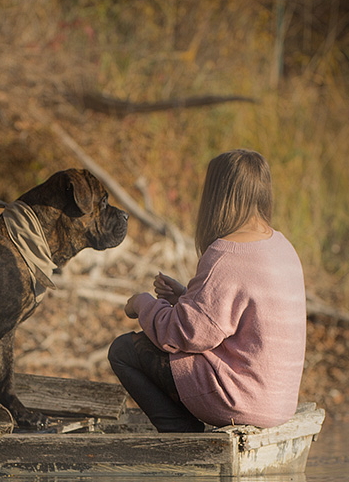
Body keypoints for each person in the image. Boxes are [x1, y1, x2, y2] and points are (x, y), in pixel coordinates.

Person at [108, 149, 306, 432]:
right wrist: (185, 297)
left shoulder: (226, 254)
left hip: (239, 402)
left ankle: (181, 435)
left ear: (218, 194)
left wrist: (142, 304)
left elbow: (180, 335)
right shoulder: (282, 247)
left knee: (124, 350)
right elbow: (233, 317)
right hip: (278, 403)